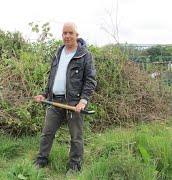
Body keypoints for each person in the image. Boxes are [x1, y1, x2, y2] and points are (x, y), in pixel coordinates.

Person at [34, 22, 97, 174]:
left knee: (76, 137)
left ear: (77, 35)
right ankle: (41, 161)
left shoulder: (85, 56)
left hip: (73, 103)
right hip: (54, 100)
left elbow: (90, 80)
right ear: (62, 36)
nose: (67, 36)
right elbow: (52, 77)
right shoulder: (57, 53)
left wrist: (83, 101)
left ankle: (74, 167)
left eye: (70, 33)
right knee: (47, 133)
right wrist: (44, 94)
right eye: (65, 33)